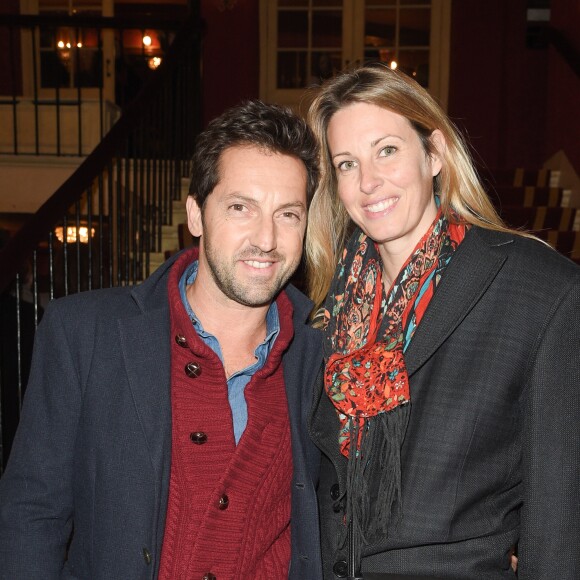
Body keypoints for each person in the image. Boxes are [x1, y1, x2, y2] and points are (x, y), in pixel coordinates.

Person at [0, 100, 324, 579]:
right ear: (196, 215)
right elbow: (31, 515)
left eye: (288, 214)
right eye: (241, 207)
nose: (266, 238)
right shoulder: (83, 334)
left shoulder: (325, 351)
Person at [305, 64, 580, 579]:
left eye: (387, 150)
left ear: (433, 153)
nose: (368, 182)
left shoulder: (540, 290)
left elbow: (561, 522)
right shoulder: (328, 309)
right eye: (346, 163)